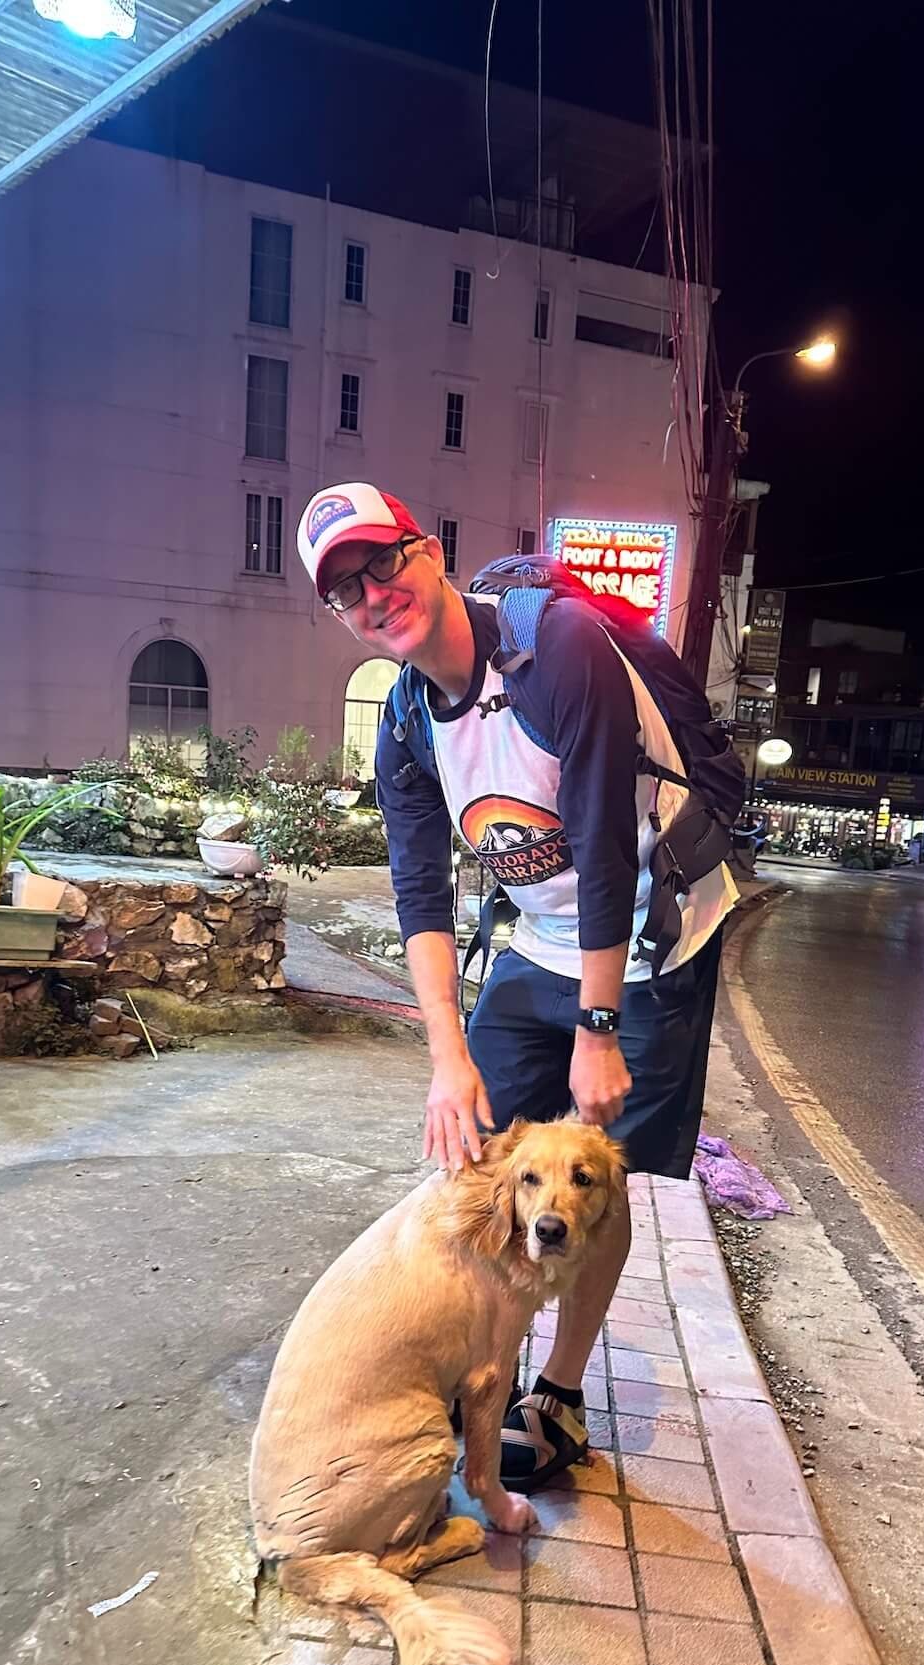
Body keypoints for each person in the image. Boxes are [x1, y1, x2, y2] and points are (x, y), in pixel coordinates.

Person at [295, 482, 740, 1489]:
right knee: (479, 1153)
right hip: (542, 940)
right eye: (346, 592)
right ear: (341, 619)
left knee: (598, 1167)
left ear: (429, 551)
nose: (375, 596)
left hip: (655, 934)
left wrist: (599, 1028)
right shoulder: (407, 719)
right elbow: (420, 893)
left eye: (384, 564)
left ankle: (562, 1397)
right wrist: (446, 1058)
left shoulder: (561, 647)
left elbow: (602, 848)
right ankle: (478, 1355)